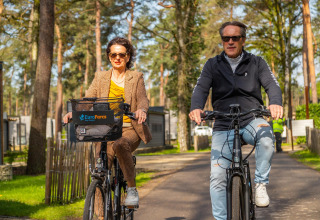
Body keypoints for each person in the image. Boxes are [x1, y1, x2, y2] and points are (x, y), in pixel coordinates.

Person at [189, 21, 283, 220]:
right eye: (226, 38)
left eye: (235, 38)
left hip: (251, 119)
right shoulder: (212, 64)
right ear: (222, 40)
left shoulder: (257, 62)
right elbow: (200, 89)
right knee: (217, 178)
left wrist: (275, 103)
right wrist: (196, 107)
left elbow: (272, 86)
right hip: (223, 123)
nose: (230, 42)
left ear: (243, 40)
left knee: (266, 137)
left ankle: (260, 184)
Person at [63, 37, 152, 207]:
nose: (117, 58)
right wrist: (74, 113)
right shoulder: (101, 77)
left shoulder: (136, 77)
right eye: (113, 55)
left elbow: (142, 100)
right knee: (100, 171)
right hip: (105, 128)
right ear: (109, 57)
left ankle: (132, 190)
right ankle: (100, 215)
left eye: (121, 54)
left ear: (128, 56)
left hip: (129, 128)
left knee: (120, 144)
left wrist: (141, 110)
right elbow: (88, 99)